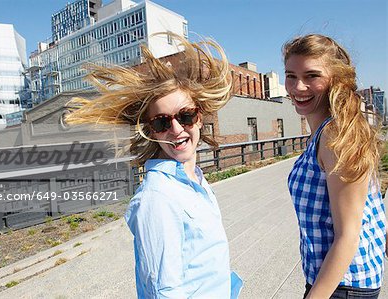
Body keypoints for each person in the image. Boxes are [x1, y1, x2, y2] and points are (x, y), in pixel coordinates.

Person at [66, 33, 242, 298]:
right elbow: (164, 290)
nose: (175, 129)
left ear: (200, 117)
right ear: (152, 131)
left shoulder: (195, 180)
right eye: (162, 122)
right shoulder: (158, 198)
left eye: (185, 116)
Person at [283, 33, 386, 299]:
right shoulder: (324, 133)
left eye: (312, 76)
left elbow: (348, 236)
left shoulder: (336, 136)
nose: (298, 87)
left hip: (344, 284)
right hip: (333, 279)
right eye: (291, 75)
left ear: (335, 80)